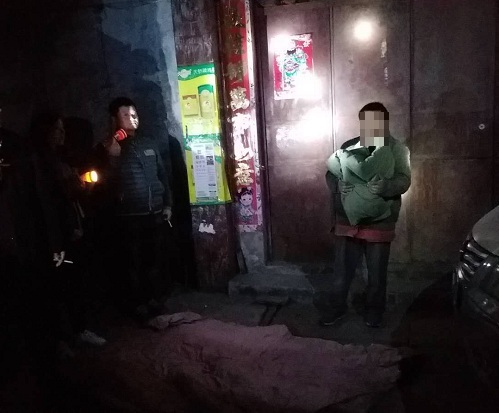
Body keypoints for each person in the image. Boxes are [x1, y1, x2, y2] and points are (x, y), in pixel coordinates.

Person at [322, 102, 411, 328]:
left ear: (385, 123)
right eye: (366, 122)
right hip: (347, 221)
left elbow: (404, 180)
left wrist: (387, 186)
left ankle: (374, 311)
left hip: (379, 222)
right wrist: (338, 185)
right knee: (342, 271)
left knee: (377, 273)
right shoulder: (349, 146)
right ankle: (337, 307)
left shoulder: (397, 149)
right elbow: (331, 173)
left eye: (376, 122)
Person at [29, 113, 107, 354]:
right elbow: (49, 202)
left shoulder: (60, 158)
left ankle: (76, 331)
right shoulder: (39, 164)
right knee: (58, 287)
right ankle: (59, 340)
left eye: (63, 130)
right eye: (57, 129)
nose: (62, 134)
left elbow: (70, 195)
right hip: (56, 237)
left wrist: (82, 187)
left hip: (71, 231)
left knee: (74, 283)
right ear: (45, 132)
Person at [103, 97, 172, 320]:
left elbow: (162, 175)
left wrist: (168, 204)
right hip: (130, 216)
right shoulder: (109, 148)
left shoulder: (148, 143)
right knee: (133, 263)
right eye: (125, 115)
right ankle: (137, 305)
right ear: (114, 119)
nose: (132, 119)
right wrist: (112, 157)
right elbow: (107, 183)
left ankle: (154, 300)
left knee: (154, 260)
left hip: (154, 213)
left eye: (134, 114)